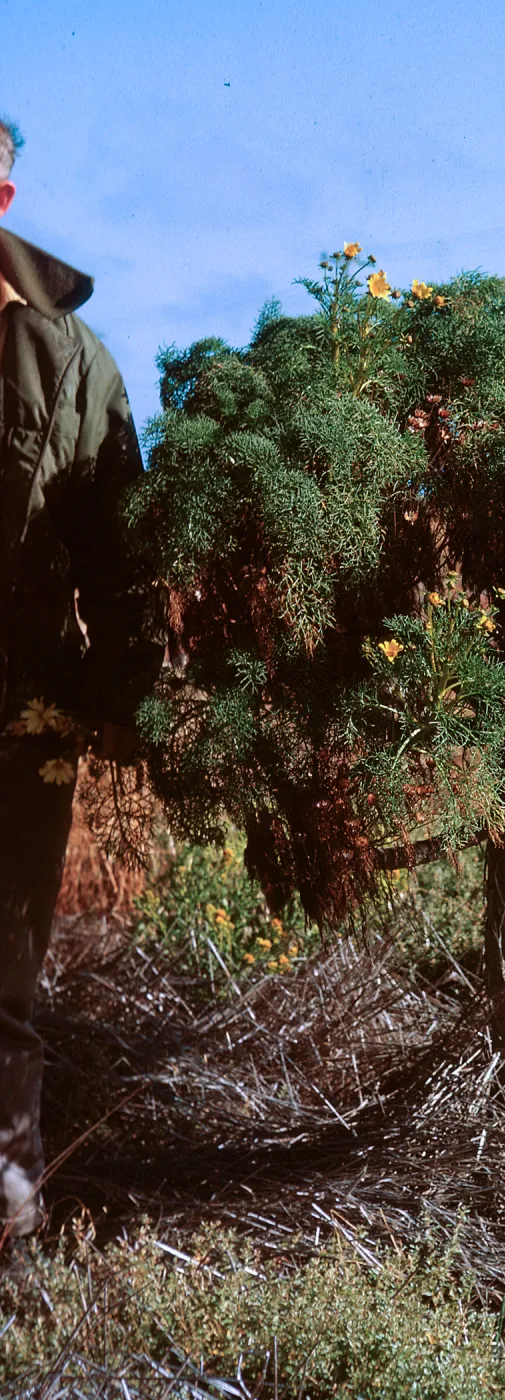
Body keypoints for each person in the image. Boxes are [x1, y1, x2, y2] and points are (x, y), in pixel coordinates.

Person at [0, 117, 162, 1238]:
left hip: (21, 723)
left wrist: (124, 690)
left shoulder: (73, 358)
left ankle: (8, 1230)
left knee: (1, 993)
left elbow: (121, 552)